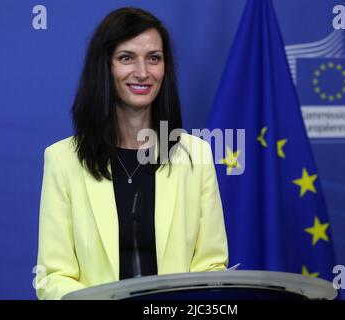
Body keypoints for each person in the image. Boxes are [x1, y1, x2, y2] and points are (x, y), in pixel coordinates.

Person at [35, 7, 228, 300]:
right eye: (126, 58)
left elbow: (212, 267)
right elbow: (53, 278)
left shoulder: (196, 155)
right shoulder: (63, 160)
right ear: (105, 67)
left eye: (154, 58)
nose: (143, 72)